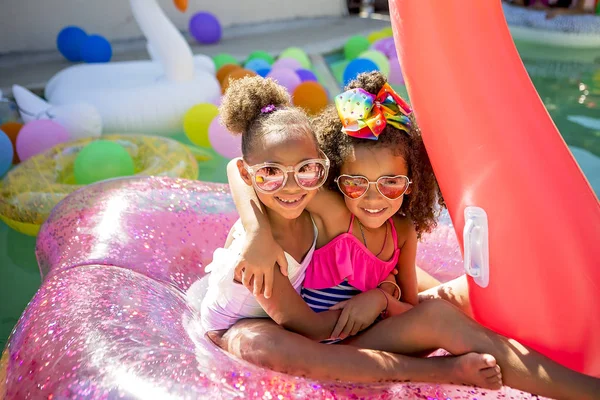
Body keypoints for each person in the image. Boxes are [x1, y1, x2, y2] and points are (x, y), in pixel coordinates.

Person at [217, 72, 600, 399]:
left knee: (466, 293)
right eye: (357, 184)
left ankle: (575, 336)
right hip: (320, 336)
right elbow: (241, 167)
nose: (372, 197)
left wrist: (382, 298)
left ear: (411, 184)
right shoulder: (323, 205)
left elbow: (409, 303)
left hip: (358, 325)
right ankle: (583, 390)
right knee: (438, 318)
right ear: (337, 178)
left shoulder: (396, 230)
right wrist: (255, 230)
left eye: (391, 183)